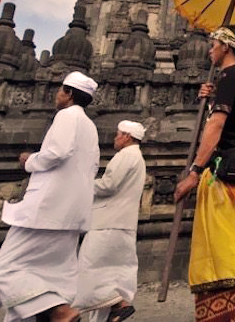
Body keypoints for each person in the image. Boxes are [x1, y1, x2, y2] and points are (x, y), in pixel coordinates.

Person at [0, 72, 100, 322]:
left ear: (70, 93)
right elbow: (92, 167)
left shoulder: (66, 116)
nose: (56, 95)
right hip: (73, 212)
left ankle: (59, 311)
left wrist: (30, 160)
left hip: (47, 211)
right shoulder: (90, 126)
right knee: (55, 276)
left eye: (60, 90)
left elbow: (57, 152)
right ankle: (51, 311)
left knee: (7, 269)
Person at [173, 26, 235, 322]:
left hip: (222, 168)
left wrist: (194, 170)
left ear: (226, 45)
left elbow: (217, 126)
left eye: (213, 44)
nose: (209, 49)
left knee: (219, 245)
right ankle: (229, 312)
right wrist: (211, 99)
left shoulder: (230, 75)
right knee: (224, 240)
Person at [73, 121, 147, 322]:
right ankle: (113, 309)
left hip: (107, 221)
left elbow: (109, 185)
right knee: (116, 268)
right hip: (122, 222)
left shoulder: (126, 155)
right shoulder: (137, 158)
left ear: (127, 136)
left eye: (117, 134)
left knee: (90, 264)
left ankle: (117, 302)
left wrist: (83, 184)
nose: (115, 139)